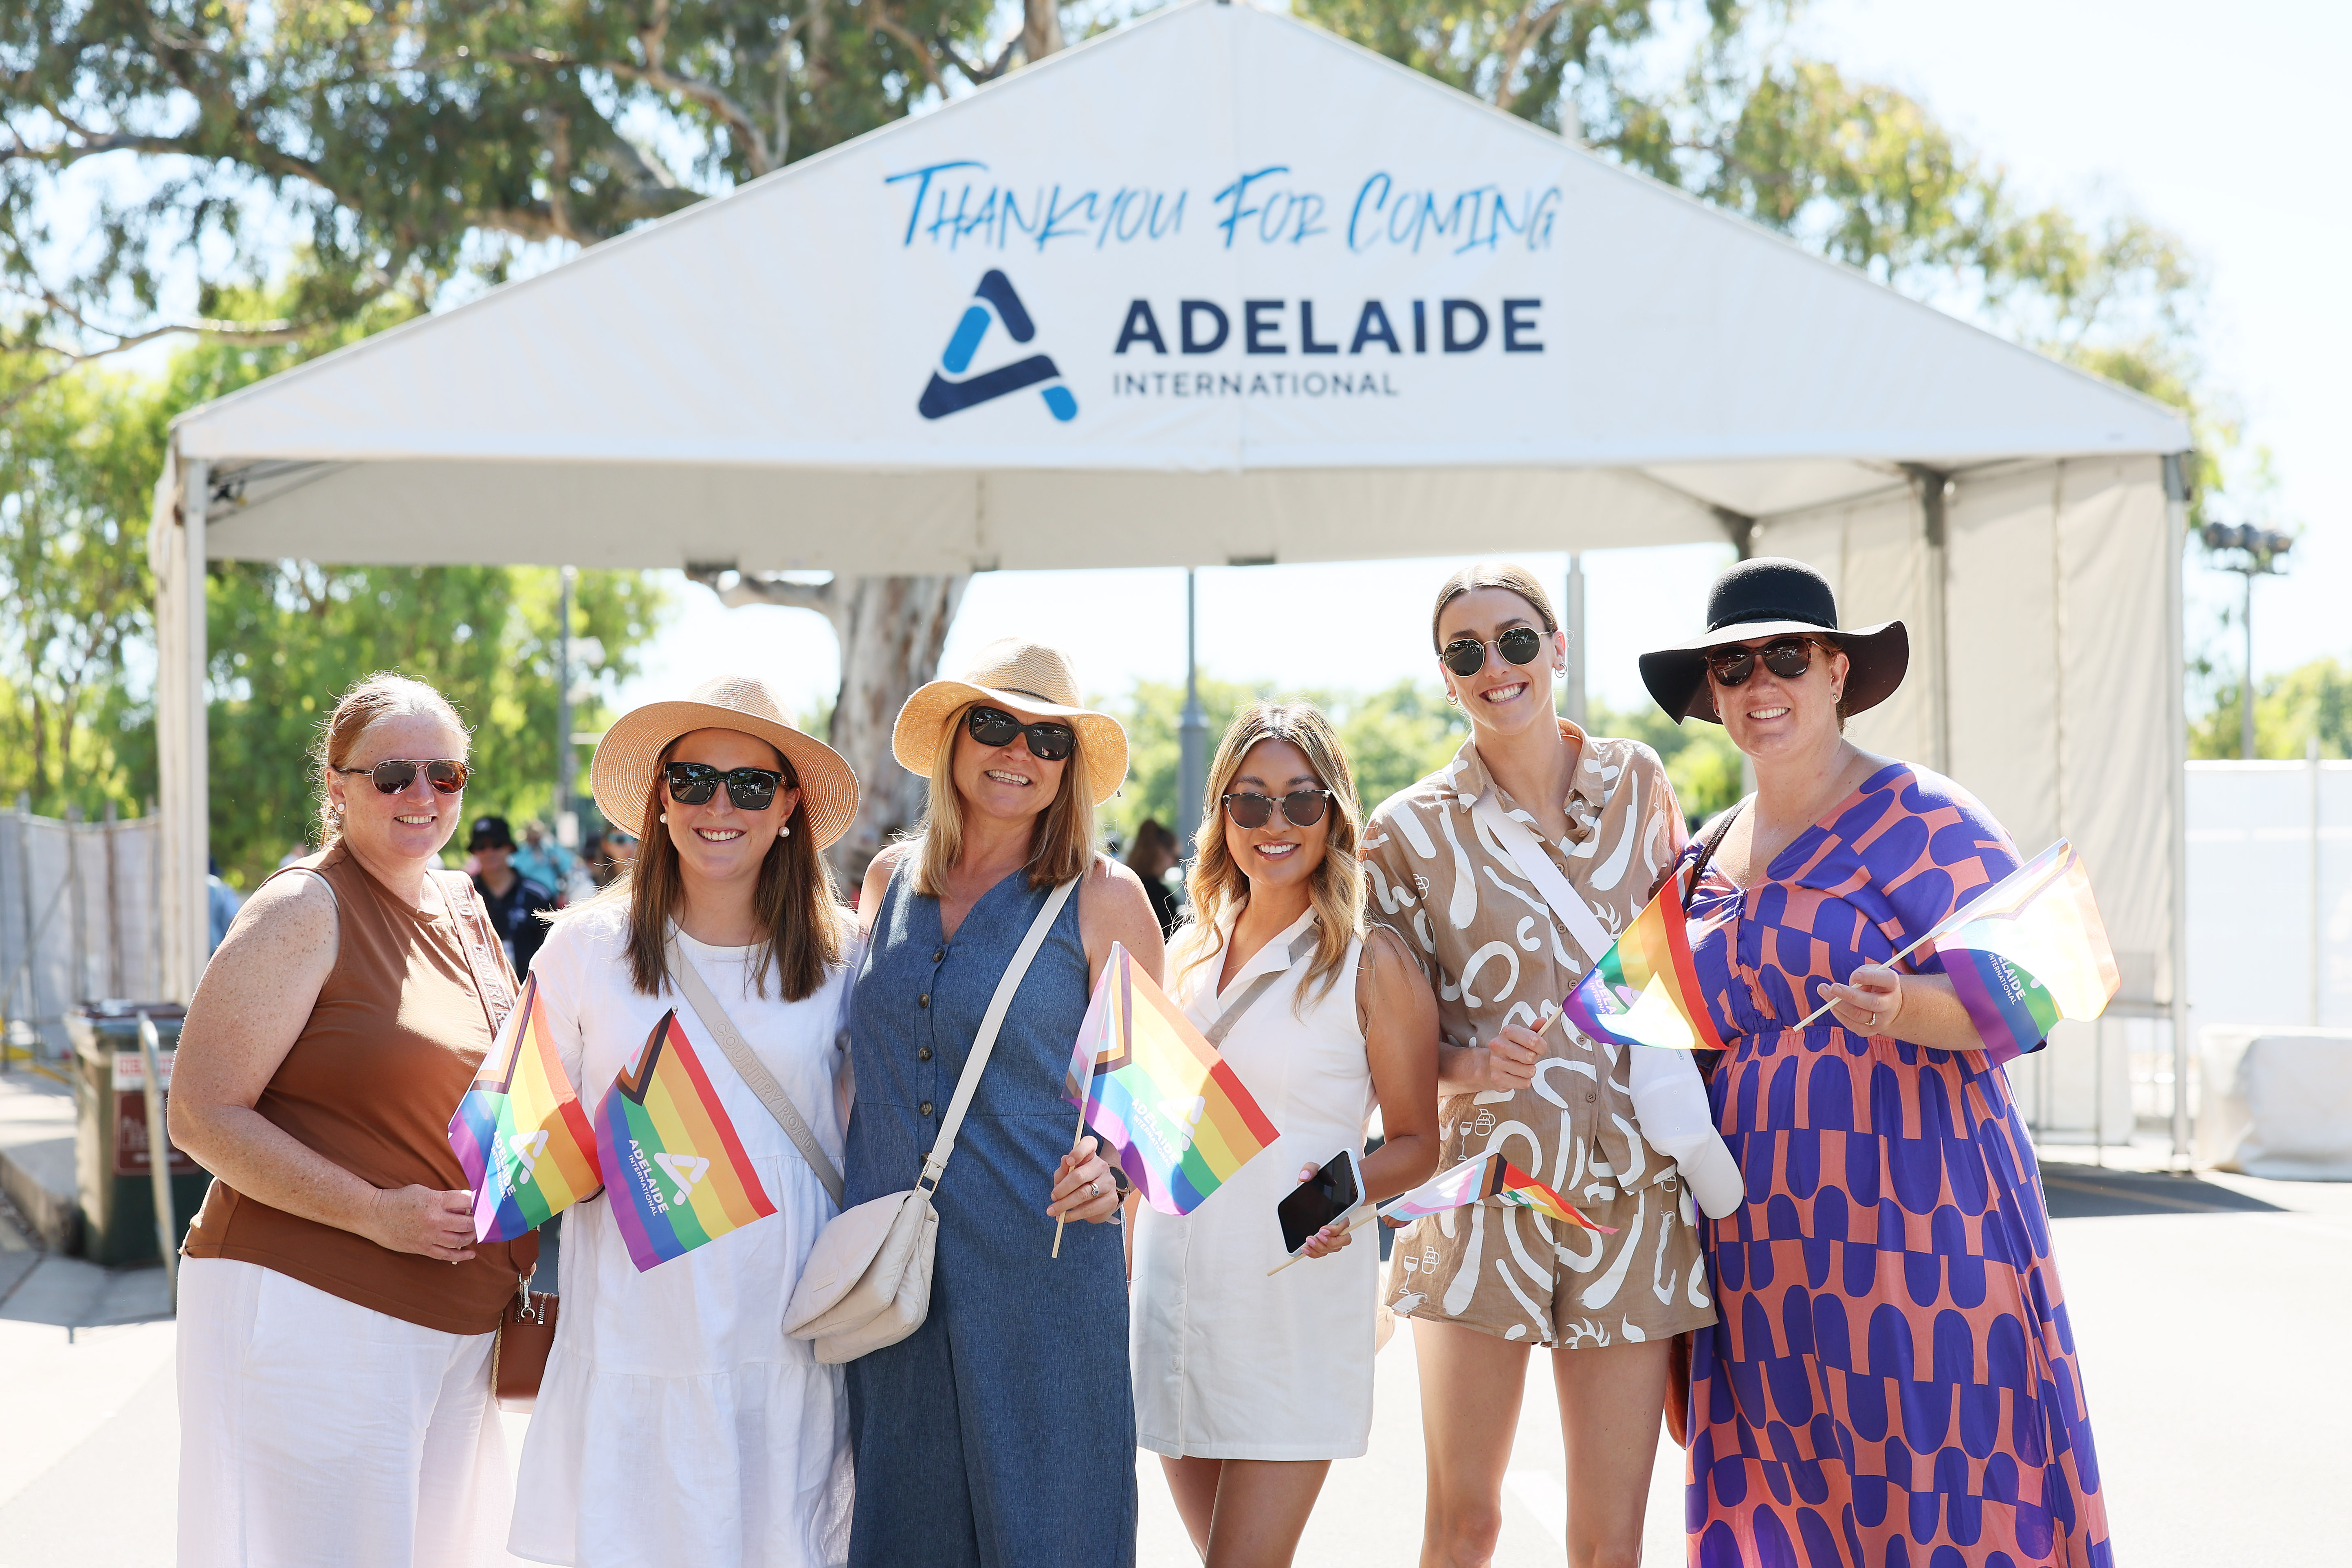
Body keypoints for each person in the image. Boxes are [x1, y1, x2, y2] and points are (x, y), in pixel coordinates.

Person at [1640, 558, 2111, 1566]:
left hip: (1919, 1224)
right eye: (1732, 664)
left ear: (1837, 672)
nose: (1759, 682)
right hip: (1758, 1241)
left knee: (1938, 1474)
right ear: (1712, 692)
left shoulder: (1924, 814)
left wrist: (1908, 1006)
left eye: (1785, 656)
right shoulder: (1696, 856)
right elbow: (1621, 1024)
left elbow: (2046, 987)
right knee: (1788, 1491)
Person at [1362, 562, 1743, 1568]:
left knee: (1607, 1538)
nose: (1495, 665)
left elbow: (1677, 970)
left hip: (1632, 1191)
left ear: (1556, 647)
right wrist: (1468, 1058)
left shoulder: (1640, 782)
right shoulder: (1403, 832)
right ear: (1444, 676)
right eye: (1465, 651)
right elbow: (1386, 1046)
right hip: (1480, 1191)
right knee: (1463, 1522)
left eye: (1516, 639)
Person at [170, 673, 535, 1568]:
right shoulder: (304, 908)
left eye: (444, 774)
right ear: (336, 785)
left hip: (456, 1319)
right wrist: (377, 1211)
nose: (422, 795)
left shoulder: (464, 906)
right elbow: (200, 1114)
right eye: (393, 774)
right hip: (317, 1312)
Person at [509, 675, 862, 1567]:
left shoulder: (847, 956)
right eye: (694, 778)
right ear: (660, 798)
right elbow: (516, 1133)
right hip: (636, 1333)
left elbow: (868, 1135)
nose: (719, 805)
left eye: (750, 784)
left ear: (788, 806)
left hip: (787, 1342)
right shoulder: (585, 948)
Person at [843, 636, 1163, 1568]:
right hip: (892, 1283)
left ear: (1069, 768)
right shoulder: (885, 883)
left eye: (1046, 738)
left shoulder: (1103, 897)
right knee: (904, 1533)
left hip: (1044, 1282)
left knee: (1053, 1533)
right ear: (952, 738)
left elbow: (1159, 1106)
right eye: (993, 723)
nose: (1017, 751)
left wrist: (1117, 1175)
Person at [1135, 702, 1440, 1567]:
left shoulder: (1369, 961)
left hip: (1289, 1299)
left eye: (1302, 801)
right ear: (1221, 812)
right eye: (1251, 800)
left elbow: (1419, 1139)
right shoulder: (1184, 953)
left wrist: (1330, 1198)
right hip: (1173, 1301)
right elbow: (1153, 1130)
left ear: (1335, 814)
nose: (1276, 824)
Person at [469, 814, 559, 977]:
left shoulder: (538, 896)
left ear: (509, 847)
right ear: (474, 851)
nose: (489, 852)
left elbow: (555, 954)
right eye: (481, 846)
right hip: (478, 995)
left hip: (531, 994)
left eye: (497, 845)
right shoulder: (464, 895)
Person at [1125, 816, 1184, 937]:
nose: (1174, 864)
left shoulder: (1123, 885)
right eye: (1176, 857)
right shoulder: (1162, 896)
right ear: (1161, 851)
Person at [513, 818, 577, 896]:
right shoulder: (522, 852)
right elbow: (516, 870)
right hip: (529, 894)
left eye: (537, 838)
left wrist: (557, 862)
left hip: (551, 894)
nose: (535, 841)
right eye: (532, 838)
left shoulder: (551, 849)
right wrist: (534, 862)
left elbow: (569, 863)